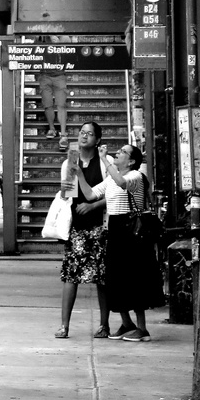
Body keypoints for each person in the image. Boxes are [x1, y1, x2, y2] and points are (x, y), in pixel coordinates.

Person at [76, 143, 151, 343]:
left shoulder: (135, 176)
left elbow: (122, 183)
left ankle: (142, 328)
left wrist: (103, 159)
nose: (118, 153)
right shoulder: (111, 178)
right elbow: (91, 195)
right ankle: (127, 323)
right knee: (114, 278)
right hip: (115, 229)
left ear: (132, 161)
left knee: (133, 279)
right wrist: (79, 175)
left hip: (131, 231)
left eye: (123, 152)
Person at [54, 122, 110, 339]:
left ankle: (104, 325)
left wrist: (93, 205)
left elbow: (113, 194)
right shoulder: (70, 161)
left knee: (102, 277)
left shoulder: (105, 163)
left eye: (89, 134)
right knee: (71, 275)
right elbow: (66, 194)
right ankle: (64, 325)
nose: (84, 136)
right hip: (77, 227)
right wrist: (70, 174)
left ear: (97, 140)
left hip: (100, 227)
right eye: (82, 133)